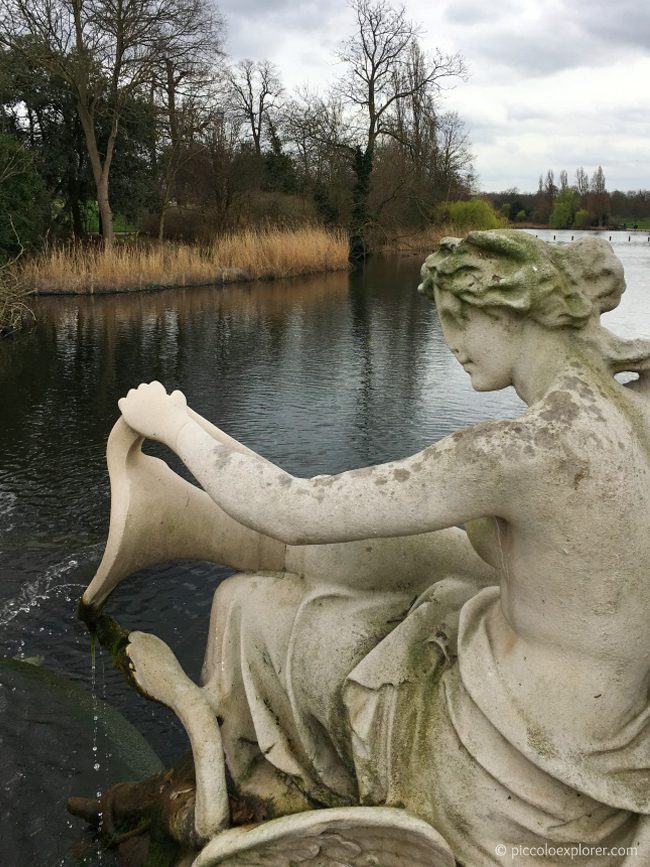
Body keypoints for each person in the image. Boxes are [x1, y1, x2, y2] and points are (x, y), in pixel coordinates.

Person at [109, 230, 650, 865]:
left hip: (513, 772)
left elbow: (291, 508)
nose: (451, 344)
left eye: (458, 318)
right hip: (606, 747)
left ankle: (265, 775)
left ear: (508, 312)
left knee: (279, 620)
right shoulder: (634, 406)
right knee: (414, 562)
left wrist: (172, 423)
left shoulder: (517, 451)